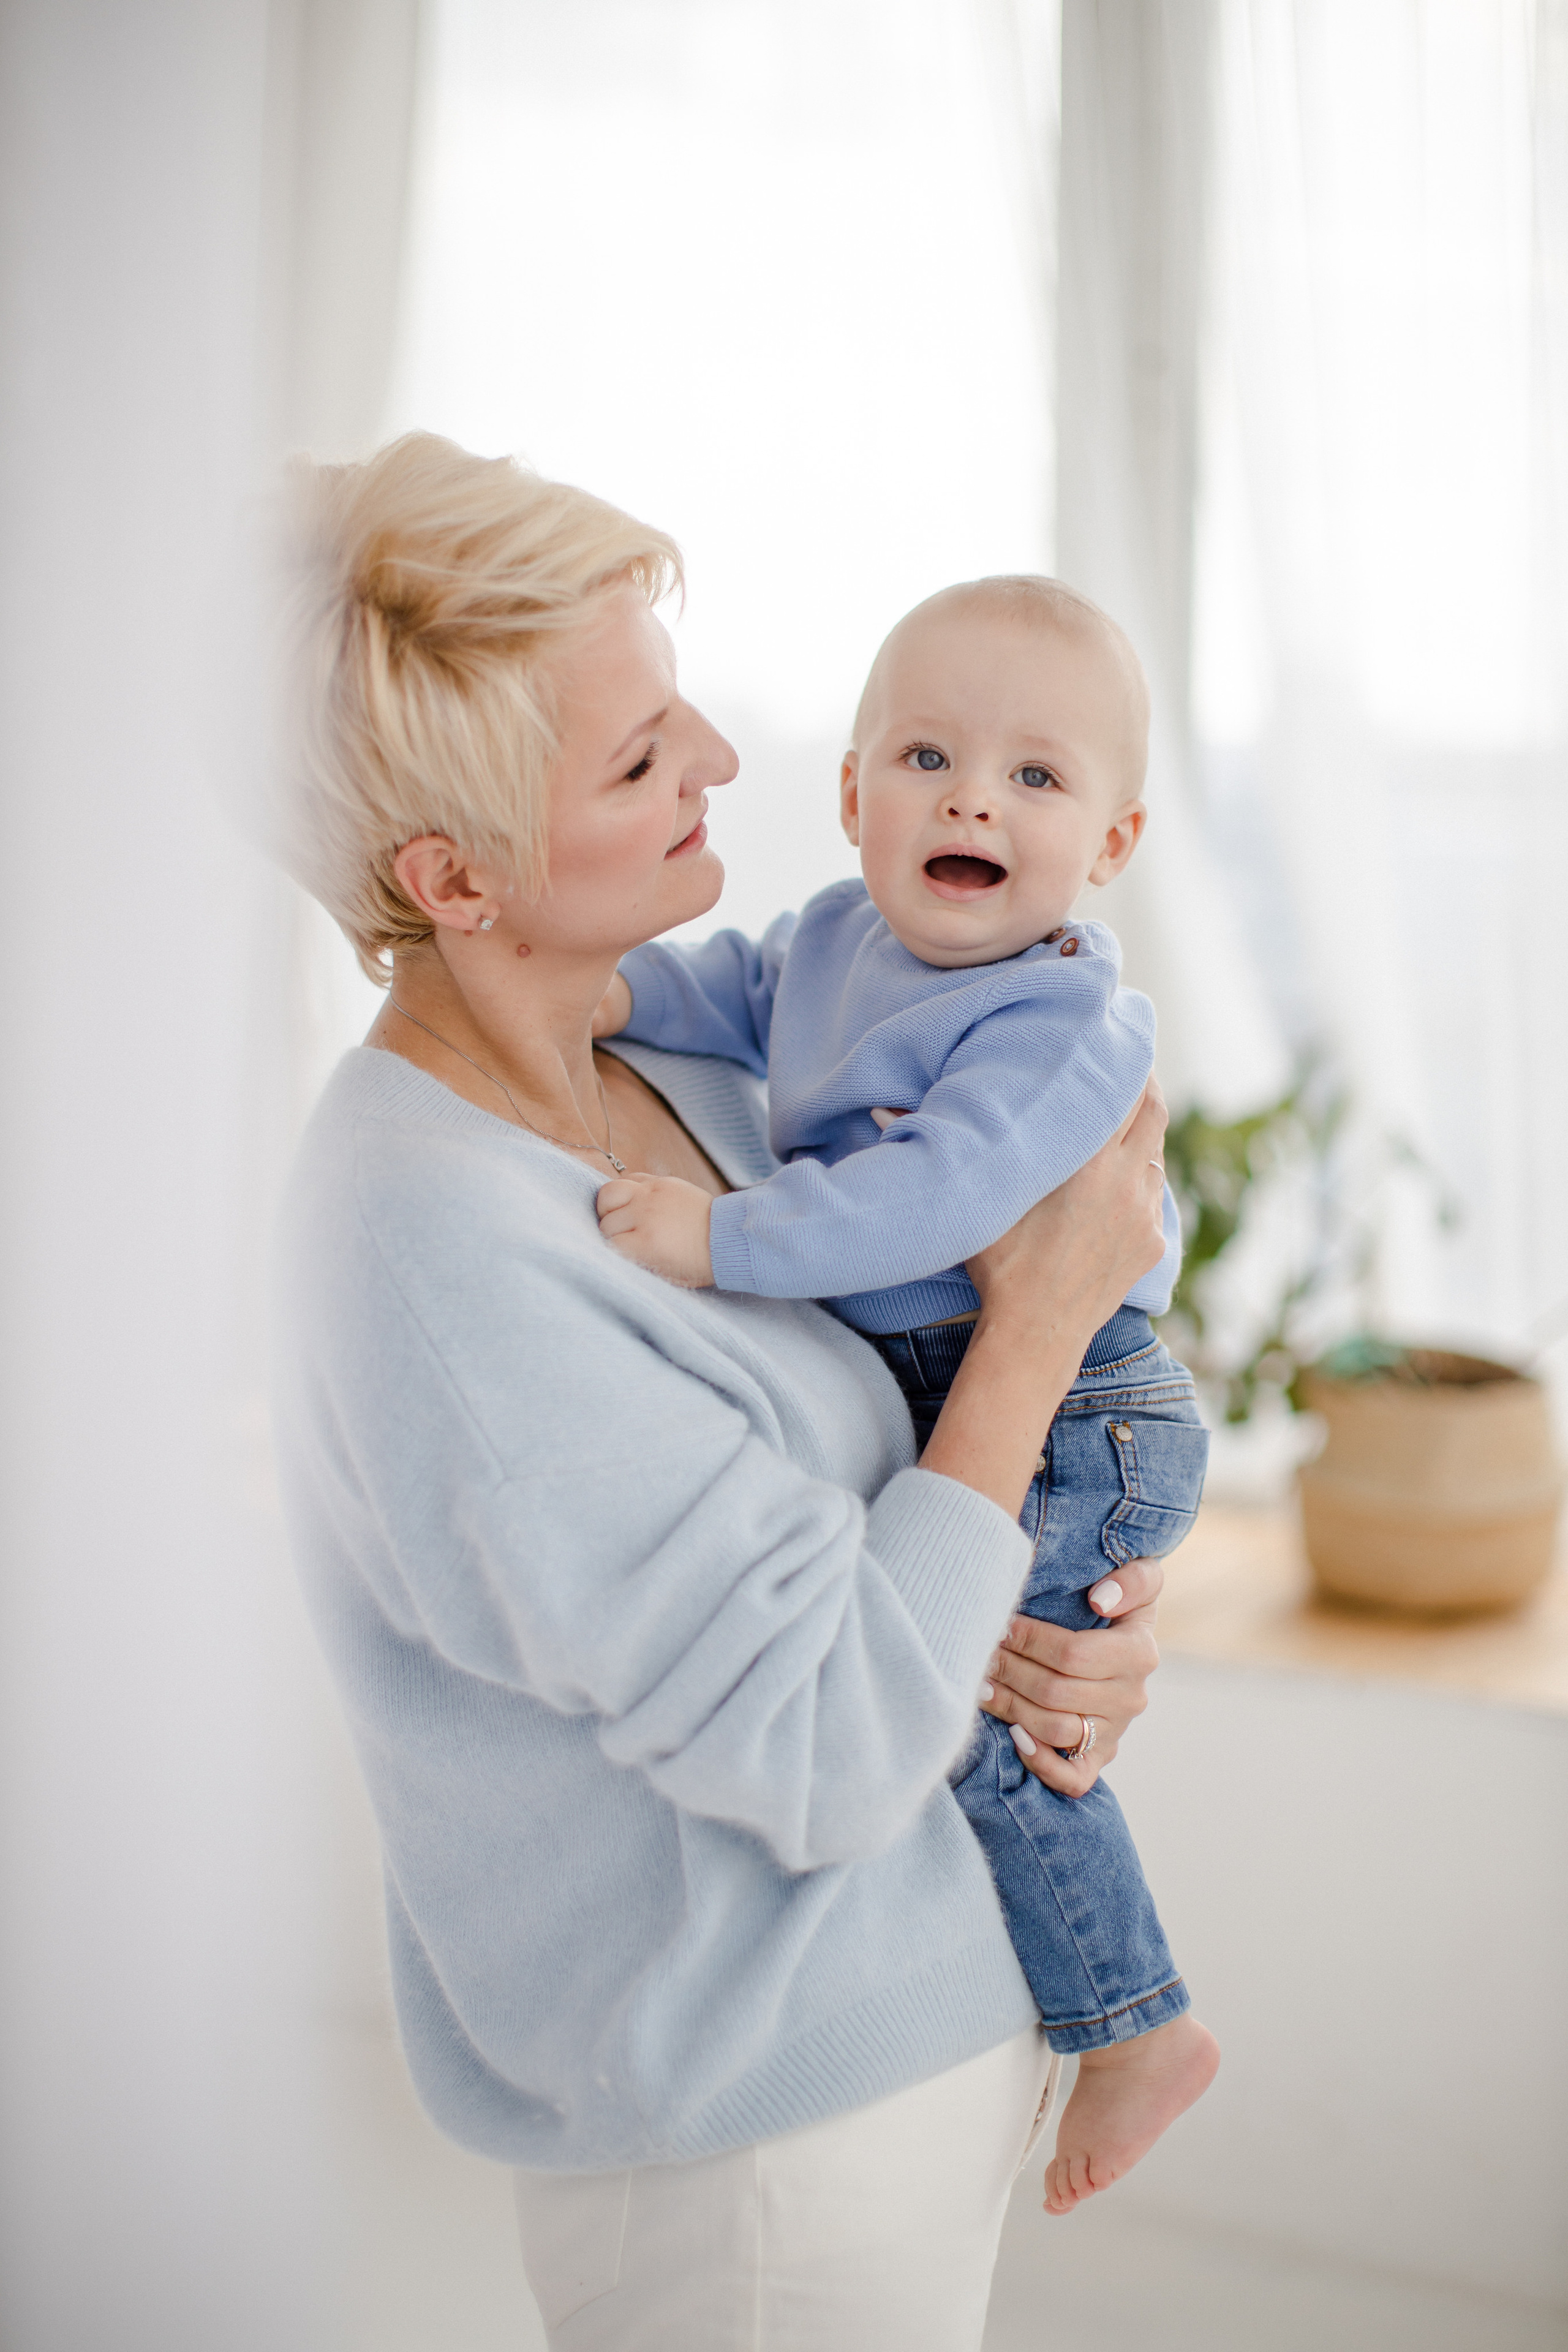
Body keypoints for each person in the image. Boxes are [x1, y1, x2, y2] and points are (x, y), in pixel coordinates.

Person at [271, 433, 1177, 2350]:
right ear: (452, 874)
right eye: (635, 753)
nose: (724, 765)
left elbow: (874, 1529)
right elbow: (838, 1740)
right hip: (765, 2154)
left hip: (909, 2034)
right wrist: (1032, 1339)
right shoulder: (427, 1250)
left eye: (679, 707)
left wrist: (1055, 1634)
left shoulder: (679, 1066)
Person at [592, 578, 1220, 2215]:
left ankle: (1134, 2023)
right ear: (857, 794)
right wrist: (608, 993)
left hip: (1082, 1398)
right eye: (931, 756)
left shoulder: (1059, 1016)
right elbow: (725, 989)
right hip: (970, 1373)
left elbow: (933, 1204)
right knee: (962, 1683)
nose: (973, 798)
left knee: (993, 1717)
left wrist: (724, 1239)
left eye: (1036, 776)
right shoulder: (836, 941)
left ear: (1115, 840)